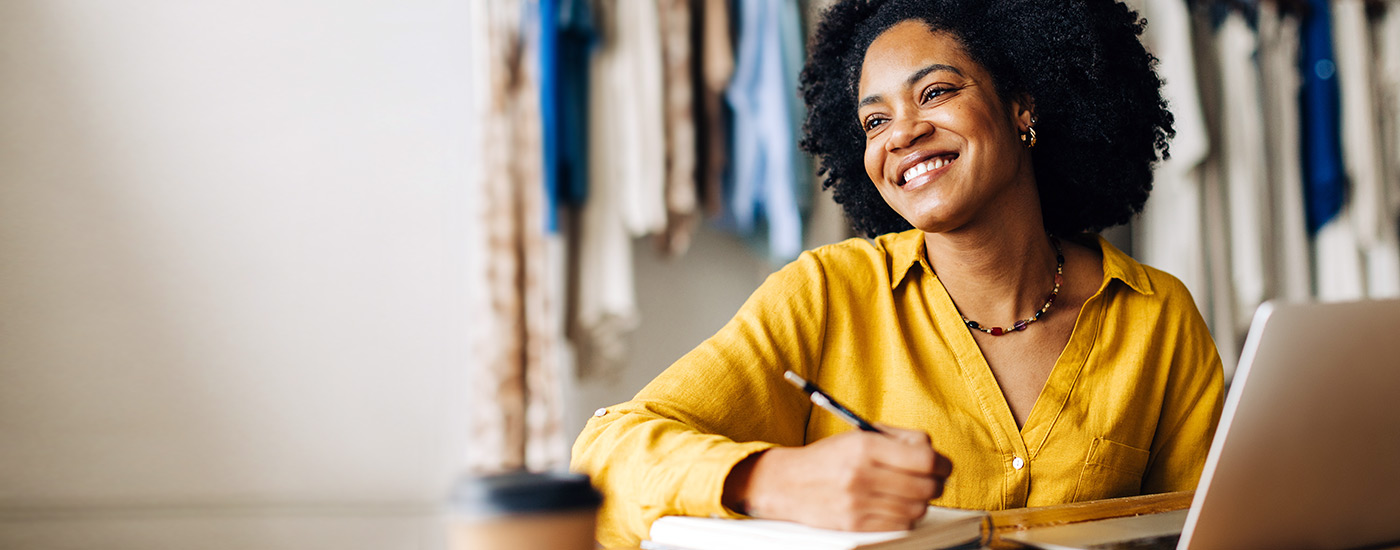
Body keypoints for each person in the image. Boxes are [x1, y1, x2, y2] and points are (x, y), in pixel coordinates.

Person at [571, 0, 1225, 546]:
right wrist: (771, 480)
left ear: (1023, 104)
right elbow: (604, 457)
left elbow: (1219, 529)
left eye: (935, 92)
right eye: (874, 120)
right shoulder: (826, 296)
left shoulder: (1157, 316)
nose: (900, 135)